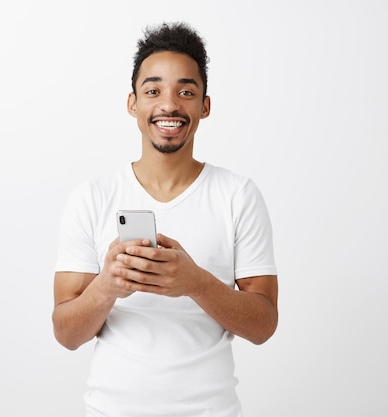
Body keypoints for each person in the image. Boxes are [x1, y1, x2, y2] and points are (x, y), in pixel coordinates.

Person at [52, 21, 278, 417]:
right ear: (132, 103)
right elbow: (66, 334)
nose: (169, 105)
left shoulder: (238, 195)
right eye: (153, 90)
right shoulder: (92, 197)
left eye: (185, 91)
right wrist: (106, 288)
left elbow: (263, 326)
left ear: (204, 105)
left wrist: (196, 283)